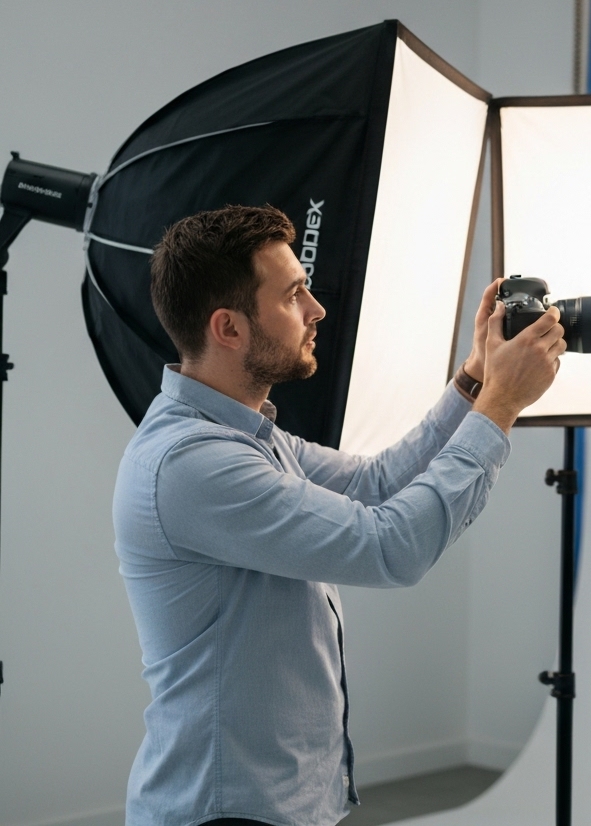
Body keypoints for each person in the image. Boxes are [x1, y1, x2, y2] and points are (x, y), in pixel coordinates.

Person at [112, 204, 565, 826]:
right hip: (228, 812)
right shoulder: (193, 463)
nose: (316, 309)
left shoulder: (249, 438)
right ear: (229, 328)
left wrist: (474, 380)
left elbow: (375, 484)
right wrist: (501, 405)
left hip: (277, 806)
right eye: (293, 295)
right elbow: (389, 547)